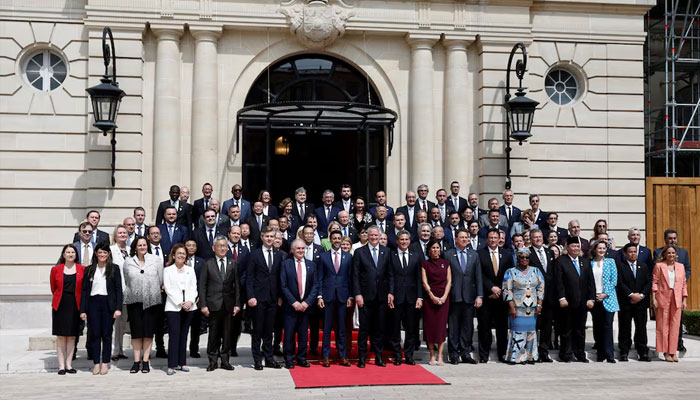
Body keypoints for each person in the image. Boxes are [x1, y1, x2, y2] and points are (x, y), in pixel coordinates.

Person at [352, 225, 393, 367]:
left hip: (381, 297)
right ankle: (362, 357)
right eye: (372, 235)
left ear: (380, 236)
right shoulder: (359, 252)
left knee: (379, 328)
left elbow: (390, 274)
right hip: (365, 297)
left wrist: (390, 292)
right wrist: (357, 294)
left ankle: (378, 356)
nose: (374, 238)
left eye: (377, 235)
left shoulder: (387, 252)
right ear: (367, 236)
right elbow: (355, 275)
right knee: (364, 329)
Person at [80, 242, 123, 375]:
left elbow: (118, 290)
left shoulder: (114, 269)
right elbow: (85, 291)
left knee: (106, 334)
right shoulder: (89, 269)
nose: (102, 255)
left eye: (105, 252)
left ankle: (105, 363)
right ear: (96, 253)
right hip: (93, 303)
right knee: (95, 335)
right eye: (100, 252)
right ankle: (96, 364)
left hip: (107, 304)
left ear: (108, 254)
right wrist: (83, 310)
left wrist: (118, 308)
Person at [199, 236, 241, 371]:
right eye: (219, 246)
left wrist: (237, 304)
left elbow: (237, 286)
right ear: (213, 248)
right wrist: (203, 305)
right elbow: (202, 286)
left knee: (227, 334)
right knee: (213, 334)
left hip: (228, 305)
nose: (222, 248)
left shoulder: (232, 263)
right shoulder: (208, 264)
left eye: (225, 246)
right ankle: (212, 360)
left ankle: (225, 360)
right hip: (213, 304)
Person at [122, 236, 164, 373]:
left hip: (152, 301)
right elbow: (127, 279)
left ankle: (145, 361)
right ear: (135, 247)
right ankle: (135, 361)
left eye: (144, 245)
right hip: (134, 302)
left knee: (147, 333)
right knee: (136, 333)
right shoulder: (128, 261)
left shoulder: (156, 260)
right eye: (139, 245)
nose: (142, 247)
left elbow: (160, 279)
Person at [247, 227, 284, 370]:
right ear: (262, 237)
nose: (269, 239)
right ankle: (257, 359)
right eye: (267, 236)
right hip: (258, 298)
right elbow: (249, 277)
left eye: (272, 236)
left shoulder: (279, 254)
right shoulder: (254, 254)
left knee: (269, 331)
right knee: (257, 331)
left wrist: (280, 296)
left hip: (273, 299)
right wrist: (251, 296)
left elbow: (281, 278)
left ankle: (269, 359)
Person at [554, 236, 595, 363]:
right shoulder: (561, 261)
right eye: (573, 246)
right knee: (566, 330)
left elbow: (591, 282)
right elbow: (558, 282)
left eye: (578, 246)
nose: (576, 248)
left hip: (582, 303)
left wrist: (591, 299)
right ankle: (566, 354)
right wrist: (561, 298)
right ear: (567, 247)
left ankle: (580, 353)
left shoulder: (585, 262)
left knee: (580, 330)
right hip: (567, 302)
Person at [280, 239, 320, 369]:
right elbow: (283, 285)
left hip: (305, 307)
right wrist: (294, 302)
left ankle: (302, 358)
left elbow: (315, 285)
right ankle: (289, 359)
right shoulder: (286, 264)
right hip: (291, 306)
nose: (301, 251)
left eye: (303, 248)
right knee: (289, 335)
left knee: (303, 335)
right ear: (292, 250)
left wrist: (307, 302)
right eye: (298, 249)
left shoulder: (312, 265)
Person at [445, 229, 482, 364]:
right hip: (454, 296)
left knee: (468, 327)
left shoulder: (474, 255)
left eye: (467, 237)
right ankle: (453, 353)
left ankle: (465, 352)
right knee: (453, 327)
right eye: (462, 237)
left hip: (469, 296)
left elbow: (478, 276)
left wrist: (479, 295)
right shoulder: (448, 254)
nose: (465, 239)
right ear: (456, 239)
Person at [503, 248, 545, 364]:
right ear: (517, 258)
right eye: (522, 257)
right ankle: (516, 357)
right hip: (517, 307)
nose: (524, 259)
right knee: (518, 332)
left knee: (531, 332)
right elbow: (507, 290)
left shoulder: (536, 271)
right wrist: (511, 307)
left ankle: (530, 356)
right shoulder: (510, 272)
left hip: (532, 308)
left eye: (527, 257)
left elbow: (541, 289)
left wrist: (539, 305)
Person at [476, 228, 513, 363]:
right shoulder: (480, 254)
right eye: (490, 238)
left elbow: (509, 274)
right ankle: (484, 354)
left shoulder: (507, 254)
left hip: (502, 297)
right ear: (487, 239)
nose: (492, 240)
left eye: (495, 238)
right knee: (484, 327)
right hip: (486, 296)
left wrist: (501, 290)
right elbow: (479, 274)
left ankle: (502, 353)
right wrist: (491, 288)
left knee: (502, 327)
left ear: (499, 239)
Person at [317, 231, 353, 367]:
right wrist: (319, 295)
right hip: (327, 295)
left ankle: (342, 355)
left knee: (342, 328)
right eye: (334, 238)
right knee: (327, 328)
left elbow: (350, 278)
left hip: (343, 296)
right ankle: (325, 356)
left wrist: (350, 295)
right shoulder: (323, 257)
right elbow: (319, 277)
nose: (337, 240)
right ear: (330, 240)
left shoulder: (348, 257)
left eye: (339, 238)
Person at [388, 230, 423, 365]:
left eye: (406, 239)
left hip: (412, 298)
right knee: (395, 328)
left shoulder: (416, 256)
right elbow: (390, 276)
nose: (404, 242)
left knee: (411, 329)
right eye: (401, 239)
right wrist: (390, 293)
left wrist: (420, 297)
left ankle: (409, 355)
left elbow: (419, 278)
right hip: (396, 298)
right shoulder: (392, 255)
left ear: (409, 241)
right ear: (397, 241)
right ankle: (397, 355)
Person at [653, 229, 691, 352]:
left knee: (675, 325)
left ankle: (673, 350)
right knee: (663, 325)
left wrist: (684, 298)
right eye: (669, 253)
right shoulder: (659, 265)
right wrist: (653, 298)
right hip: (663, 296)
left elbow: (684, 281)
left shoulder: (680, 265)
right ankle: (665, 351)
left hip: (677, 296)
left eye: (673, 253)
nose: (671, 255)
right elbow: (655, 281)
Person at [163, 243, 198, 375]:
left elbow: (193, 287)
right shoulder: (168, 270)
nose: (182, 255)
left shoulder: (190, 269)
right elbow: (168, 288)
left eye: (184, 253)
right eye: (179, 253)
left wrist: (190, 301)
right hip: (173, 306)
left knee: (184, 335)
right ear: (173, 255)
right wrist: (180, 302)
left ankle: (182, 362)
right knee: (174, 335)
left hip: (189, 306)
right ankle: (172, 364)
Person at [51, 244, 84, 375]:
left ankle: (69, 364)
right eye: (68, 252)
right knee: (61, 337)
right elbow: (53, 288)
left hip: (75, 305)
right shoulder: (55, 269)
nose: (70, 254)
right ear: (63, 254)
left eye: (73, 252)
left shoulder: (82, 269)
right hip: (60, 305)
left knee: (71, 337)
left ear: (76, 255)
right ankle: (61, 366)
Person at [616, 243, 651, 362]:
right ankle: (624, 351)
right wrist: (631, 294)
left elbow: (648, 282)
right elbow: (620, 283)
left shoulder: (644, 266)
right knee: (625, 328)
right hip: (626, 302)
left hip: (641, 303)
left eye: (635, 251)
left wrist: (641, 295)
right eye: (630, 252)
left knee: (641, 328)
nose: (633, 254)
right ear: (625, 254)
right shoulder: (620, 266)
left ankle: (643, 352)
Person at [588, 240, 619, 363]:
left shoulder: (610, 262)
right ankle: (600, 354)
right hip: (595, 299)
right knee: (597, 327)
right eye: (599, 248)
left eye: (603, 248)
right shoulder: (590, 264)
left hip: (608, 298)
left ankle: (609, 354)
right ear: (595, 249)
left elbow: (614, 280)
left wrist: (605, 294)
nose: (601, 250)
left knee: (607, 326)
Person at [421, 239, 451, 365]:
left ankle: (440, 356)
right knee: (430, 327)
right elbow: (424, 281)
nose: (435, 250)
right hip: (430, 299)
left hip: (444, 298)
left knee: (441, 327)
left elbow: (449, 281)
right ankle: (432, 356)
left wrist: (444, 296)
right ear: (429, 250)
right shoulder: (425, 264)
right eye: (433, 248)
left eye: (437, 247)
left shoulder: (446, 263)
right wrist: (431, 296)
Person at [528, 229, 556, 362]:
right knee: (534, 325)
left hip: (549, 296)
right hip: (533, 296)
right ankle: (532, 352)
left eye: (540, 237)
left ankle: (544, 352)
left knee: (546, 326)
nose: (538, 239)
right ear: (531, 239)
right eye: (535, 237)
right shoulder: (527, 253)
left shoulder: (549, 252)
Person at [110, 225, 130, 361]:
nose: (123, 235)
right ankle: (113, 351)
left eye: (125, 233)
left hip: (129, 291)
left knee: (122, 323)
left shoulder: (130, 250)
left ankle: (120, 349)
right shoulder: (111, 250)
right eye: (120, 233)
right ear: (115, 235)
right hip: (116, 291)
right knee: (115, 323)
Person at [184, 239, 205, 358]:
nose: (191, 247)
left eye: (193, 245)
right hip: (183, 299)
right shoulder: (181, 261)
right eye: (188, 245)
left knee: (196, 327)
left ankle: (194, 349)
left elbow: (203, 281)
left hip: (197, 299)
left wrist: (199, 296)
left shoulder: (201, 262)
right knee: (184, 326)